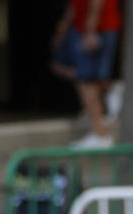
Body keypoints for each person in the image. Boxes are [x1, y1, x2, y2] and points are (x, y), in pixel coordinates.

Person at [53, 0, 122, 146]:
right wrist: (62, 31)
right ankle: (109, 90)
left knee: (86, 81)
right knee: (84, 78)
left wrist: (90, 30)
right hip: (83, 29)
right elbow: (72, 7)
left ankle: (99, 133)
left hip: (96, 29)